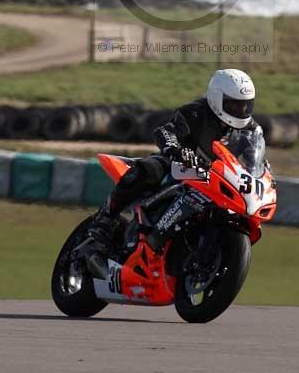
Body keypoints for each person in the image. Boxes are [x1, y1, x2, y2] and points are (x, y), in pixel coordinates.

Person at [86, 68, 257, 276]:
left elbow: (253, 158)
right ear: (217, 98)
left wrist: (259, 172)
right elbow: (165, 131)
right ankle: (104, 221)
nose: (241, 110)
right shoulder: (195, 113)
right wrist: (175, 149)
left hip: (213, 180)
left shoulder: (249, 130)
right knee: (149, 170)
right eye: (233, 104)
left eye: (245, 104)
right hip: (178, 167)